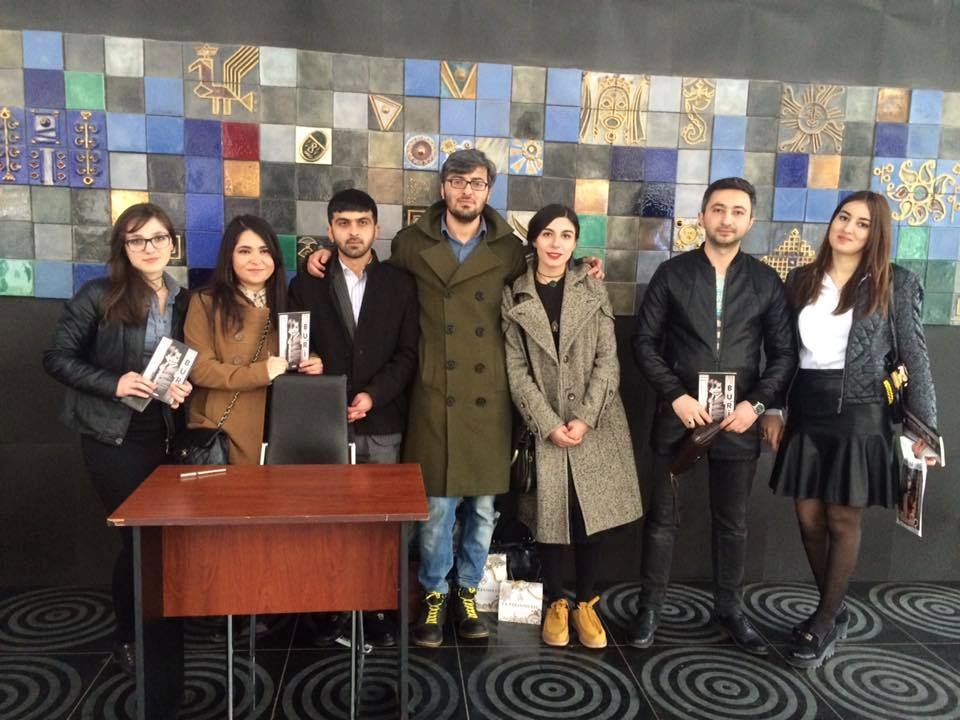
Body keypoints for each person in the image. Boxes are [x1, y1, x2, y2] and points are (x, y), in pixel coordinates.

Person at [304, 149, 604, 648]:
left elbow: (549, 272)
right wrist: (321, 255)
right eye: (458, 181)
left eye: (477, 182)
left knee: (483, 509)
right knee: (437, 508)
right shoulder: (410, 243)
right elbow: (370, 278)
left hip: (489, 397)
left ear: (488, 190)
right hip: (432, 394)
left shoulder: (509, 249)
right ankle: (433, 595)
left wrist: (584, 268)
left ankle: (466, 593)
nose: (467, 191)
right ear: (443, 187)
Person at [763, 190, 938, 667]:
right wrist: (773, 407)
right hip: (807, 407)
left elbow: (915, 357)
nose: (848, 228)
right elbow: (782, 351)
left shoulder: (895, 282)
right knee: (808, 517)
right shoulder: (802, 279)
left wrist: (925, 430)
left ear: (876, 234)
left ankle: (823, 621)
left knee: (842, 519)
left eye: (863, 223)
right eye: (844, 217)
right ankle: (833, 608)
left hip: (862, 412)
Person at [630, 177, 796, 654]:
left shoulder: (765, 280)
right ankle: (650, 609)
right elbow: (644, 343)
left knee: (733, 523)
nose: (727, 219)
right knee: (662, 520)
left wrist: (756, 405)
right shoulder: (672, 274)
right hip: (679, 416)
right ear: (701, 216)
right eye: (718, 209)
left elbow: (784, 355)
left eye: (737, 211)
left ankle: (730, 610)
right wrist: (675, 395)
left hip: (738, 420)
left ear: (751, 221)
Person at [43, 203, 193, 674]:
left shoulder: (183, 298)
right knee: (137, 540)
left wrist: (179, 388)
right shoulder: (98, 295)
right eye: (136, 239)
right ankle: (128, 637)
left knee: (163, 541)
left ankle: (161, 628)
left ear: (172, 243)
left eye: (158, 237)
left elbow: (179, 363)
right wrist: (114, 383)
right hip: (113, 438)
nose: (149, 247)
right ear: (123, 247)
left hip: (165, 435)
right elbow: (56, 357)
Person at [502, 204, 642, 649]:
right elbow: (516, 370)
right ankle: (557, 603)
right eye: (547, 234)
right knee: (551, 517)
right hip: (544, 425)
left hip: (594, 423)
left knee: (589, 516)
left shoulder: (592, 287)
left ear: (575, 242)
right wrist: (546, 423)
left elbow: (608, 359)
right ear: (534, 239)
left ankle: (585, 604)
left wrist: (583, 418)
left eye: (565, 235)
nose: (556, 243)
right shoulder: (515, 294)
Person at [289, 188, 418, 646]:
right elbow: (295, 348)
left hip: (382, 421)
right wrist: (313, 362)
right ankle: (331, 608)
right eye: (343, 223)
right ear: (330, 230)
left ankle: (378, 608)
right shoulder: (306, 284)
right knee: (329, 522)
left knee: (381, 524)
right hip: (325, 423)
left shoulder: (400, 284)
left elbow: (408, 354)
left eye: (362, 222)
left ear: (376, 229)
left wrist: (372, 396)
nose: (353, 232)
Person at [185, 215, 322, 465]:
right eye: (245, 251)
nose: (256, 260)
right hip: (224, 428)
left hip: (282, 426)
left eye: (264, 251)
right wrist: (260, 373)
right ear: (229, 256)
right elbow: (200, 369)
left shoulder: (289, 301)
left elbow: (293, 355)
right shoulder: (205, 302)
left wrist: (311, 360)